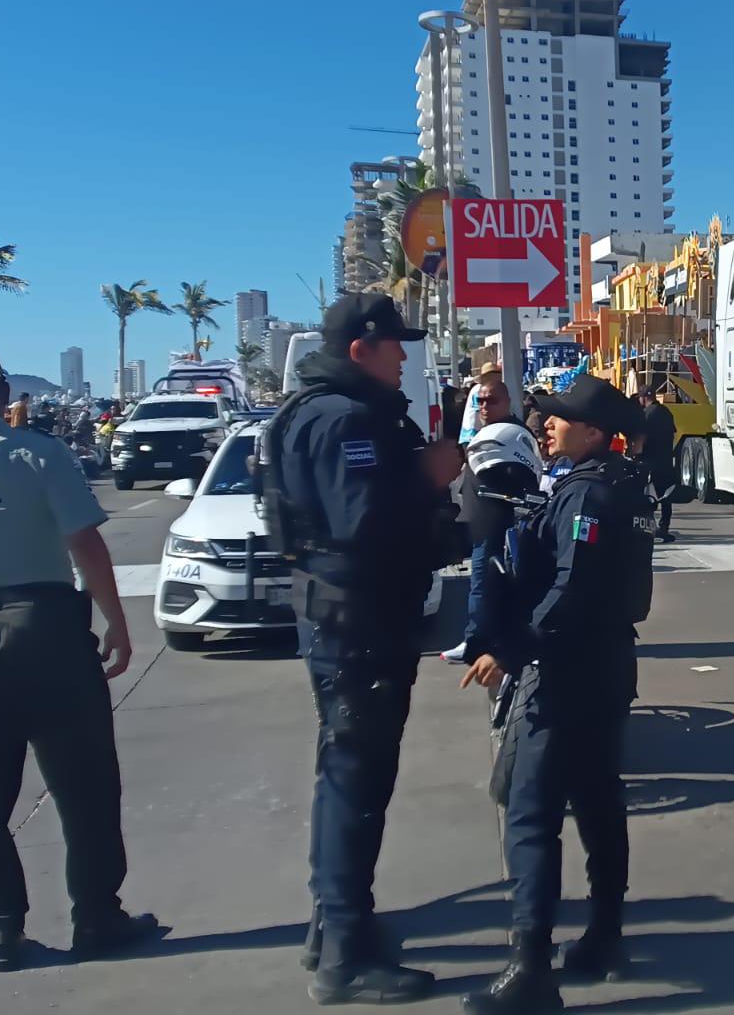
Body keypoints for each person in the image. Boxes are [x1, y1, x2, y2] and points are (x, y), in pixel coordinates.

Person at [261, 293, 464, 1004]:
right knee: (357, 785)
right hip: (360, 623)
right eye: (393, 346)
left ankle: (336, 927)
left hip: (346, 619)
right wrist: (427, 475)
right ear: (360, 350)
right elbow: (363, 521)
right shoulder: (344, 420)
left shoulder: (313, 410)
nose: (403, 357)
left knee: (343, 779)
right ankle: (345, 955)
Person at [0, 339, 156, 973]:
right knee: (83, 779)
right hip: (43, 623)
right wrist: (116, 621)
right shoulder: (39, 453)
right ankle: (97, 916)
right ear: (1, 390)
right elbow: (85, 542)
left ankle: (0, 931)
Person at [458, 375, 653, 1013]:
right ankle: (604, 936)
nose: (545, 425)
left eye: (559, 418)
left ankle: (530, 972)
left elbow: (571, 589)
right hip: (600, 666)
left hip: (569, 669)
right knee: (597, 798)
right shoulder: (605, 481)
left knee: (529, 811)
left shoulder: (590, 494)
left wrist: (507, 650)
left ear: (593, 432)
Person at [442, 375, 525, 664]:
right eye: (480, 401)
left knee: (483, 583)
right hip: (480, 517)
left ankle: (475, 642)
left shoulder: (511, 433)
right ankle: (485, 640)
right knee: (484, 583)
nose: (485, 406)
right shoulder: (484, 431)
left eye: (492, 400)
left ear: (507, 401)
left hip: (497, 519)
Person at [636, 385, 678, 543]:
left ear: (643, 397)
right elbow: (673, 432)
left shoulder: (646, 414)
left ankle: (648, 527)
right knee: (666, 496)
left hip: (649, 461)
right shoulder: (666, 412)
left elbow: (641, 437)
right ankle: (664, 528)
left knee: (647, 496)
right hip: (666, 460)